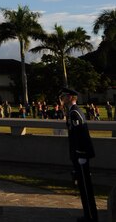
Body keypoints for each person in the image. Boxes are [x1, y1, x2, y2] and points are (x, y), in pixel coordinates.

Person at [59, 86, 98, 222]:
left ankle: (91, 217)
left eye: (64, 97)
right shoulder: (74, 112)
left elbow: (79, 136)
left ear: (70, 97)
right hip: (80, 154)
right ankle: (89, 215)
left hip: (81, 154)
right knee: (83, 187)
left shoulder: (74, 113)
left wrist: (80, 154)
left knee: (85, 189)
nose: (62, 99)